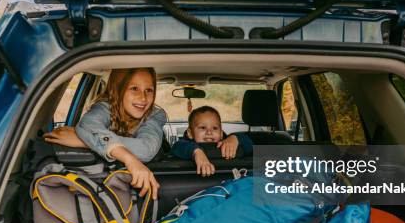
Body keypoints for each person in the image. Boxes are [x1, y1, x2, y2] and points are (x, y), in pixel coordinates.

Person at [44, 68, 165, 199]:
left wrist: (84, 141)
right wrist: (126, 157)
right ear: (118, 89)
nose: (143, 97)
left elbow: (146, 149)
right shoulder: (105, 106)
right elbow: (88, 124)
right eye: (134, 88)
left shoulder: (156, 114)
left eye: (149, 90)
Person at [172, 106, 253, 176]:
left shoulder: (228, 143)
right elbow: (177, 146)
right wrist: (196, 152)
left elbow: (251, 145)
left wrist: (235, 138)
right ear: (190, 133)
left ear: (221, 133)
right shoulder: (184, 145)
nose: (209, 132)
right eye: (203, 128)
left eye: (215, 128)